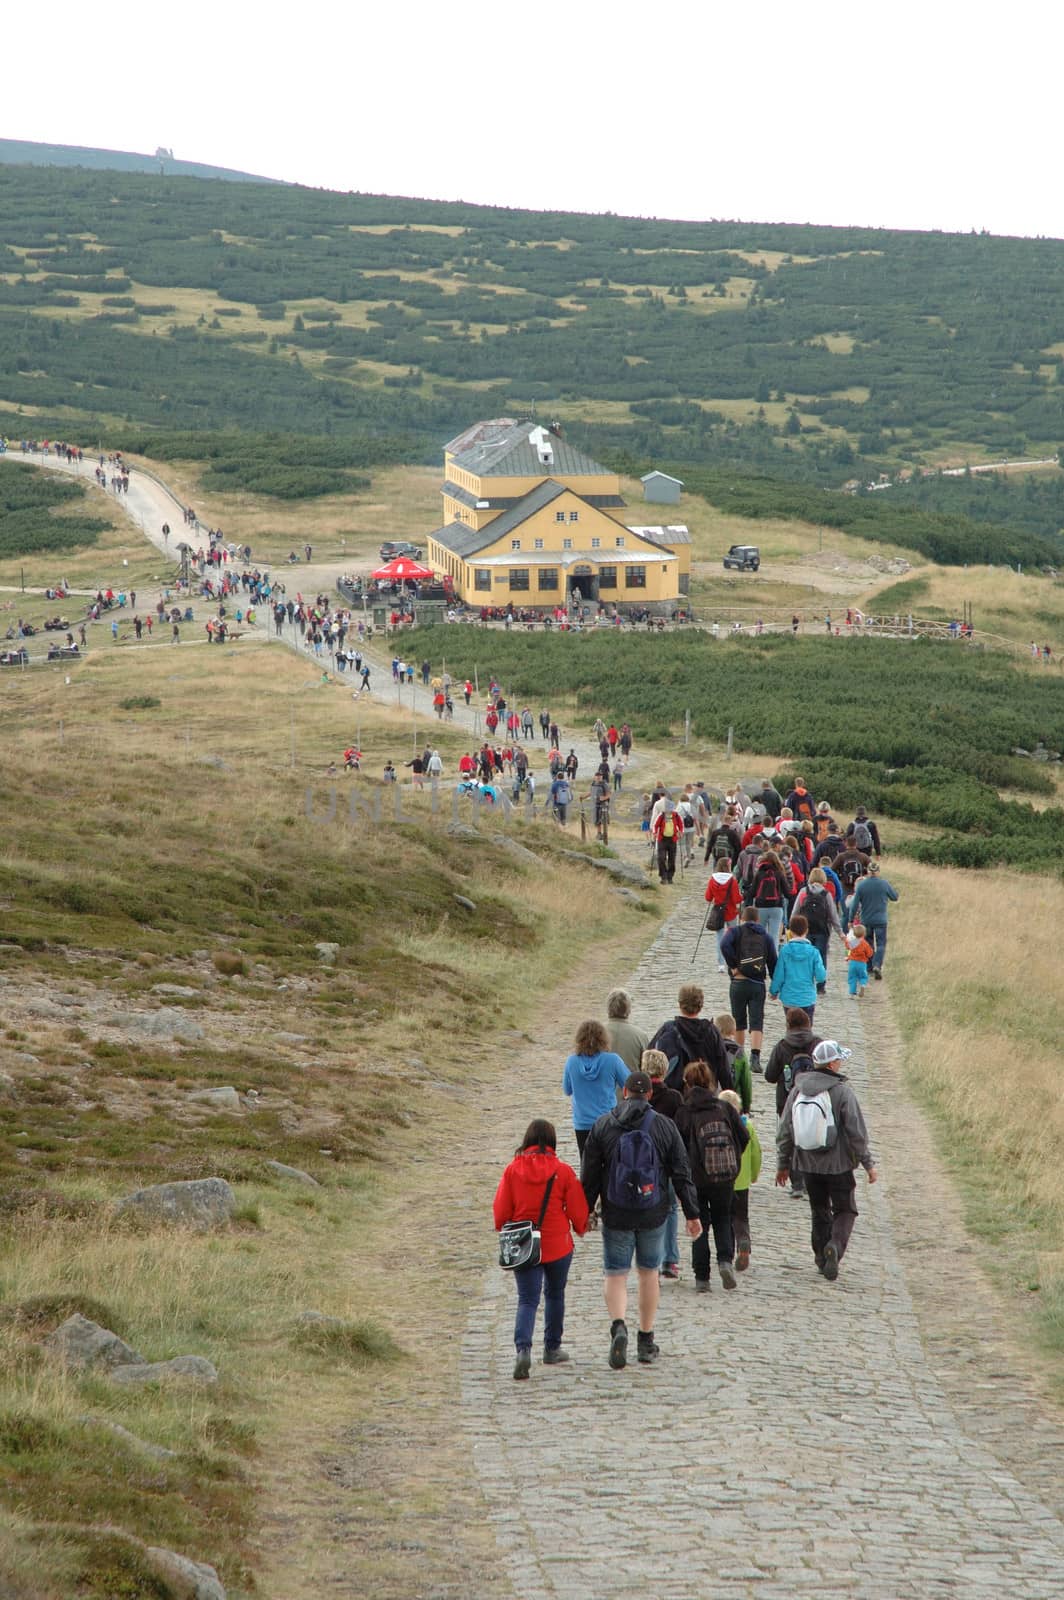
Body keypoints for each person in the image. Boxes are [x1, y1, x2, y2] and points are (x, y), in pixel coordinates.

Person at [580, 1070, 702, 1368]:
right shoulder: (664, 1126)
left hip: (616, 1211)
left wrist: (583, 1212)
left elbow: (590, 1176)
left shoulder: (604, 1125)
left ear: (624, 1093)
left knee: (615, 1273)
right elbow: (681, 1173)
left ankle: (618, 1325)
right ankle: (645, 1340)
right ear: (649, 1095)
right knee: (648, 1274)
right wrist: (692, 1213)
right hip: (653, 1211)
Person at [494, 1119, 589, 1379]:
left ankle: (523, 1349)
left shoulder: (512, 1171)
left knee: (527, 1299)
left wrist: (504, 1228)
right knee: (555, 1294)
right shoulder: (563, 1171)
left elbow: (501, 1212)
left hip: (525, 1245)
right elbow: (578, 1208)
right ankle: (552, 1347)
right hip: (557, 1244)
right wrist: (580, 1228)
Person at [775, 1039, 878, 1280]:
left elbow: (785, 1131)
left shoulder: (798, 1090)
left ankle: (821, 1258)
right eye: (839, 1059)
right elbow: (856, 1133)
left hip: (807, 1164)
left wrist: (783, 1164)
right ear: (832, 1064)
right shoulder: (842, 1092)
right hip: (838, 1164)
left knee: (819, 1209)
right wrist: (868, 1164)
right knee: (845, 1209)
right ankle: (835, 1247)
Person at [674, 1061, 748, 1293]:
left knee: (700, 1224)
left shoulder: (684, 1112)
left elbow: (677, 1148)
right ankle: (725, 1261)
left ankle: (702, 1278)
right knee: (723, 1218)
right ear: (710, 1083)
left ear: (687, 1084)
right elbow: (743, 1136)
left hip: (695, 1178)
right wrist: (732, 1159)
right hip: (724, 1176)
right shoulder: (724, 1108)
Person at [764, 1006, 821, 1199]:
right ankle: (813, 1180)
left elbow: (770, 1076)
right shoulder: (817, 1044)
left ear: (788, 1025)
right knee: (814, 1139)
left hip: (787, 1100)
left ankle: (797, 1183)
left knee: (791, 1140)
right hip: (816, 1100)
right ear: (808, 1023)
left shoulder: (782, 1046)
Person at [720, 907, 778, 1073]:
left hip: (738, 983)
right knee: (756, 1022)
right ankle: (755, 1058)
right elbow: (773, 961)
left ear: (742, 918)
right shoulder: (765, 937)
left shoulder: (735, 931)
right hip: (757, 984)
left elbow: (724, 944)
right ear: (758, 920)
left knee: (739, 1022)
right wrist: (775, 986)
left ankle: (739, 1057)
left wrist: (733, 965)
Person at [644, 1049, 684, 1281]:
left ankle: (651, 1258)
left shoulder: (639, 1097)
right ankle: (669, 1259)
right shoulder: (674, 1098)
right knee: (670, 1208)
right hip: (667, 1162)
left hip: (642, 1162)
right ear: (665, 1069)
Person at [562, 1020, 630, 1156]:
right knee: (610, 1162)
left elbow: (567, 1090)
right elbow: (628, 1085)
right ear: (604, 1039)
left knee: (586, 1163)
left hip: (582, 1123)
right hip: (608, 1121)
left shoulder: (571, 1062)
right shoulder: (613, 1060)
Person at [648, 983, 730, 1093]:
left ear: (680, 1004)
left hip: (676, 1095)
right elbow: (723, 1068)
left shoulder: (668, 1029)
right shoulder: (712, 1031)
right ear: (701, 1005)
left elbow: (650, 1058)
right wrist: (729, 1096)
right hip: (707, 1094)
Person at [719, 1088, 761, 1271]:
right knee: (741, 1217)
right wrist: (753, 1174)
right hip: (742, 1181)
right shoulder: (747, 1126)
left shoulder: (718, 1125)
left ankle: (728, 1250)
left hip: (723, 1180)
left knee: (726, 1216)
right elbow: (756, 1154)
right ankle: (744, 1243)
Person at [769, 912, 826, 1021]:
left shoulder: (785, 951)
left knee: (791, 1028)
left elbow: (779, 974)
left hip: (789, 998)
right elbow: (821, 976)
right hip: (807, 998)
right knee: (807, 1029)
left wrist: (774, 991)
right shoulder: (813, 952)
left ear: (791, 931)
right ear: (806, 930)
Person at [794, 867, 842, 994]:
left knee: (805, 957)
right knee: (821, 957)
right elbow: (833, 915)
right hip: (822, 930)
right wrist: (840, 932)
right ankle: (821, 985)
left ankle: (806, 983)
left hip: (806, 930)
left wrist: (792, 928)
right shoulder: (826, 894)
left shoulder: (803, 891)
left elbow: (795, 911)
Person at [849, 860, 898, 979]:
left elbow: (854, 904)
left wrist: (850, 919)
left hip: (866, 920)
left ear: (868, 872)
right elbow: (895, 897)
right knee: (881, 943)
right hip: (881, 919)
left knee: (869, 943)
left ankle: (870, 966)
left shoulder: (862, 885)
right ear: (878, 871)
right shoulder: (884, 884)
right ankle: (877, 964)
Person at [705, 854, 742, 972]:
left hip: (718, 913)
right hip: (731, 912)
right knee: (735, 937)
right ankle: (734, 962)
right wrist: (742, 897)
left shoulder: (712, 880)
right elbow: (736, 899)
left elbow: (708, 897)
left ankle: (721, 964)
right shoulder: (732, 880)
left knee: (720, 939)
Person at [605, 989, 648, 1074]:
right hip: (631, 1085)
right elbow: (646, 1070)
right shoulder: (640, 1035)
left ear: (608, 1008)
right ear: (629, 1010)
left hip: (601, 1085)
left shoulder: (595, 1034)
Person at [652, 798, 680, 884]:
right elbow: (655, 825)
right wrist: (655, 833)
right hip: (662, 839)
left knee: (672, 859)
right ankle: (663, 876)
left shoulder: (676, 815)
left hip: (672, 839)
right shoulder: (661, 815)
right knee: (661, 858)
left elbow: (680, 824)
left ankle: (670, 877)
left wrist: (681, 832)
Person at [845, 921, 874, 999]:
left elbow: (847, 946)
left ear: (854, 934)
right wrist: (868, 956)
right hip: (862, 963)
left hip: (852, 963)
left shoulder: (851, 942)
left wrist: (847, 939)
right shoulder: (865, 944)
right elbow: (870, 953)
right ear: (864, 934)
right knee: (863, 977)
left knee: (852, 977)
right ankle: (863, 985)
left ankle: (852, 994)